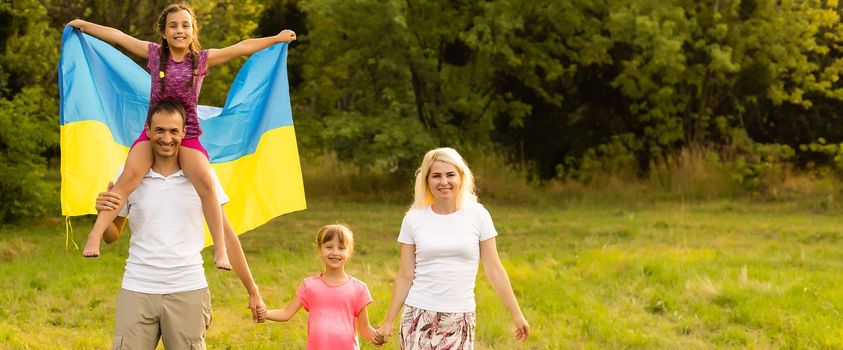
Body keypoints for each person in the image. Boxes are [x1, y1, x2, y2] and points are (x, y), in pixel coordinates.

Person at [70, 2, 297, 270]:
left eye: (185, 25)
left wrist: (277, 39)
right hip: (152, 131)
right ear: (163, 33)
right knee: (128, 177)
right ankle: (95, 234)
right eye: (173, 26)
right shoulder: (154, 55)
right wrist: (84, 26)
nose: (180, 30)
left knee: (207, 184)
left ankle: (220, 250)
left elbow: (242, 47)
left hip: (187, 134)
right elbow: (120, 37)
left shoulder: (201, 60)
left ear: (193, 31)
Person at [94, 100, 266, 348]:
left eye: (174, 131)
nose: (167, 138)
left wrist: (253, 290)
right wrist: (101, 210)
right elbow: (112, 235)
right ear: (148, 130)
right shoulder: (130, 171)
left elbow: (227, 235)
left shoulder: (201, 174)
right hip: (138, 287)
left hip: (187, 288)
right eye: (160, 130)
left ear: (184, 132)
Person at [374, 147, 530, 349]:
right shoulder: (413, 219)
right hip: (418, 316)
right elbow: (405, 275)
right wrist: (388, 322)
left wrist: (517, 314)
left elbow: (494, 269)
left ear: (461, 177)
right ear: (427, 181)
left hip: (460, 317)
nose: (444, 182)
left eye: (450, 175)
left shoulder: (478, 215)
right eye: (436, 176)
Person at [263, 224, 380, 349]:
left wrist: (379, 336)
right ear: (319, 249)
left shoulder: (358, 289)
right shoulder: (309, 286)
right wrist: (264, 313)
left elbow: (365, 329)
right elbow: (286, 313)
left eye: (341, 248)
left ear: (349, 251)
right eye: (329, 247)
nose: (335, 252)